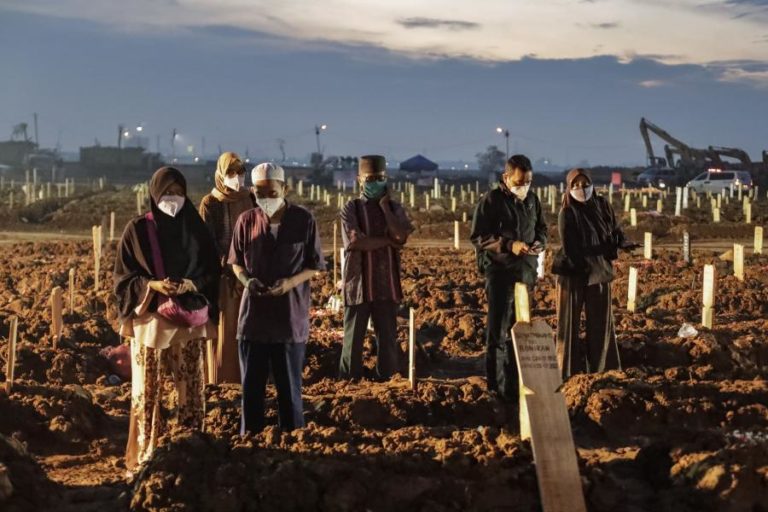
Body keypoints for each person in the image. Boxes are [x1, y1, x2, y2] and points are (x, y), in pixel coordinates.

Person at [114, 166, 220, 473]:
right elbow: (123, 278)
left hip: (189, 324)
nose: (172, 199)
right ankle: (148, 455)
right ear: (154, 195)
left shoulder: (196, 228)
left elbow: (211, 271)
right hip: (152, 324)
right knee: (148, 392)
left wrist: (190, 284)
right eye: (166, 193)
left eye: (178, 193)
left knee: (191, 390)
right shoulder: (137, 231)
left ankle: (189, 452)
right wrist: (152, 285)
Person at [229, 162, 325, 434]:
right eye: (259, 192)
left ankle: (292, 440)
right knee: (251, 390)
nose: (265, 199)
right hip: (253, 319)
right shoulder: (246, 221)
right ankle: (251, 441)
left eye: (272, 192)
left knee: (289, 390)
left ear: (285, 188)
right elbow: (236, 263)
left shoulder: (303, 220)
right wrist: (248, 281)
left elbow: (315, 265)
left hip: (288, 318)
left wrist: (290, 283)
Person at [470, 154, 547, 400]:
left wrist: (539, 243)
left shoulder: (532, 200)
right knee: (498, 333)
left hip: (525, 272)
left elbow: (542, 228)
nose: (524, 187)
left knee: (520, 331)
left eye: (528, 182)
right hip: (500, 272)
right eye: (519, 182)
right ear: (506, 178)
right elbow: (479, 236)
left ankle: (516, 387)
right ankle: (496, 388)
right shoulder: (492, 201)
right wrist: (509, 244)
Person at [338, 154, 414, 381]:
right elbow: (355, 241)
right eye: (369, 179)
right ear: (359, 179)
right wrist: (387, 241)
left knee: (388, 338)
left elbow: (401, 236)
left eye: (379, 178)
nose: (374, 183)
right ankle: (349, 381)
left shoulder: (394, 207)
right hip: (358, 283)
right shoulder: (351, 207)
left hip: (386, 283)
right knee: (353, 339)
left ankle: (386, 380)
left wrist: (384, 208)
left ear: (385, 178)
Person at [555, 168, 635, 379]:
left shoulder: (602, 206)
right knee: (568, 325)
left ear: (592, 184)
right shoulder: (567, 212)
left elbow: (615, 230)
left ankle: (604, 370)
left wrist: (623, 243)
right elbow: (570, 247)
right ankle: (566, 373)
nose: (581, 189)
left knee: (601, 323)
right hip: (573, 272)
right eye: (576, 185)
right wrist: (587, 262)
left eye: (585, 184)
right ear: (569, 188)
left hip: (599, 271)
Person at [199, 152, 255, 384]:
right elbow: (207, 243)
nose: (237, 178)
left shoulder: (251, 199)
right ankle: (224, 382)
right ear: (221, 174)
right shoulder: (210, 203)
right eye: (231, 173)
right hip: (225, 280)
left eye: (240, 172)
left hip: (251, 275)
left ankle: (252, 379)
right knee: (227, 331)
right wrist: (229, 264)